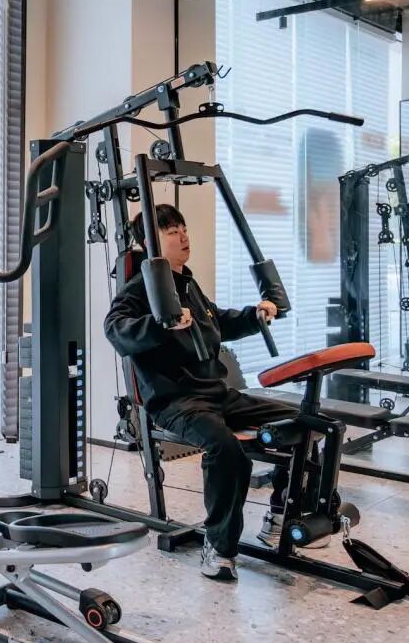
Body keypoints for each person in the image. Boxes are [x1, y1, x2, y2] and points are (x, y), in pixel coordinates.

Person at [104, 204, 305, 582]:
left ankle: (281, 515)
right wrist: (160, 324)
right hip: (177, 401)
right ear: (149, 243)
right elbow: (115, 328)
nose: (183, 236)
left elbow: (217, 321)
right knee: (225, 449)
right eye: (171, 231)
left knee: (301, 423)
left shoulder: (188, 285)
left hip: (217, 394)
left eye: (183, 227)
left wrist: (255, 315)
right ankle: (218, 546)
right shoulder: (139, 289)